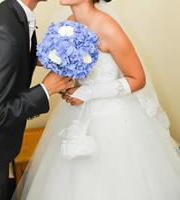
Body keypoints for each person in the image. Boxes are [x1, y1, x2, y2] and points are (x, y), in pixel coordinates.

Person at [12, 0, 180, 199]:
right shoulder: (69, 23)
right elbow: (71, 67)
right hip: (77, 116)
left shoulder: (107, 26)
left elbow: (138, 79)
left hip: (113, 120)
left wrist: (89, 93)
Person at [0, 0, 74, 199]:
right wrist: (46, 89)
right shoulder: (4, 31)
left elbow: (13, 57)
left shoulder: (15, 14)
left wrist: (47, 59)